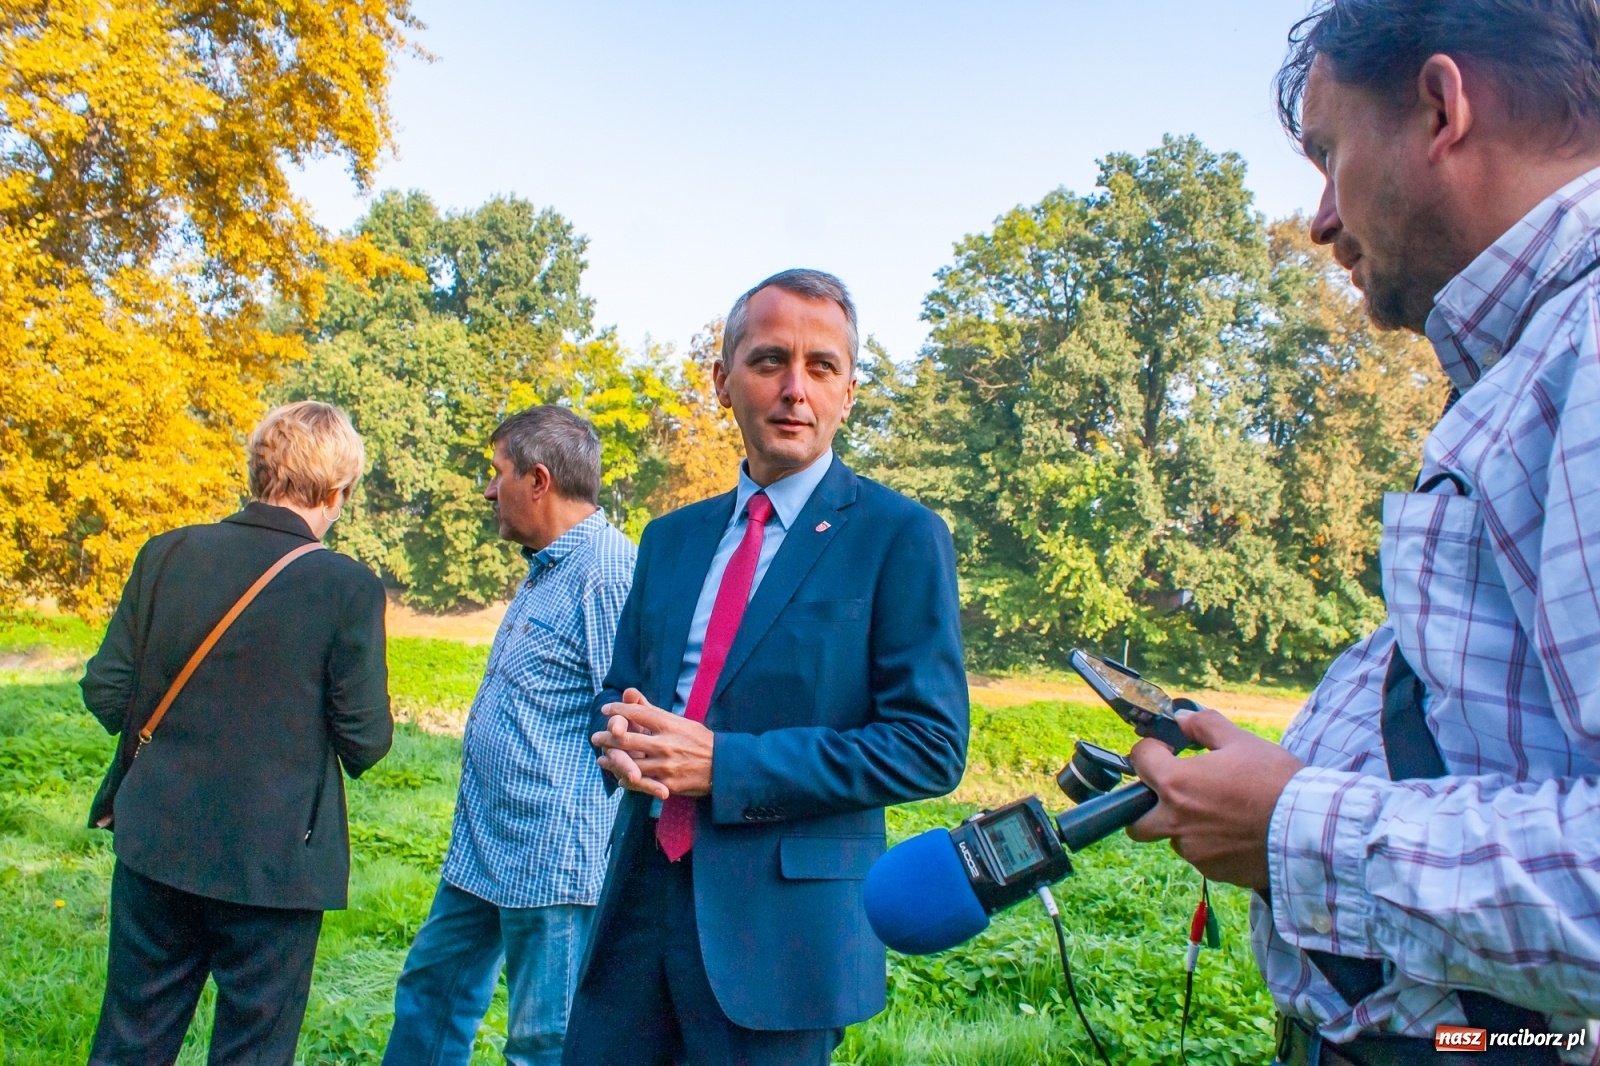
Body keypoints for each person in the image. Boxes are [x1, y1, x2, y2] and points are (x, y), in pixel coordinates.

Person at [1124, 2, 1600, 1063]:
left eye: (1331, 156)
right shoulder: (1529, 361)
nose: (1320, 219)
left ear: (1440, 108)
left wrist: (1295, 825)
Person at [562, 269, 969, 1066]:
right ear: (722, 381)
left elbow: (930, 745)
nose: (795, 389)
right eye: (769, 361)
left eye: (821, 367)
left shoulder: (899, 537)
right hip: (636, 905)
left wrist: (727, 766)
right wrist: (616, 736)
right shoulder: (669, 539)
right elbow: (619, 691)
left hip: (781, 937)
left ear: (849, 392)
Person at [81, 400, 393, 1065]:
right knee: (253, 1051)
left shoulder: (167, 553)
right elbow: (366, 743)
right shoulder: (348, 587)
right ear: (337, 493)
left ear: (259, 470)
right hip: (275, 861)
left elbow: (107, 690)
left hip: (157, 839)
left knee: (131, 1039)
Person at [383, 406, 636, 1066]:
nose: (488, 489)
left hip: (552, 860)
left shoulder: (609, 574)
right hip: (483, 846)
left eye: (496, 473)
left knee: (543, 1042)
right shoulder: (546, 566)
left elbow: (633, 722)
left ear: (539, 479)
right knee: (431, 996)